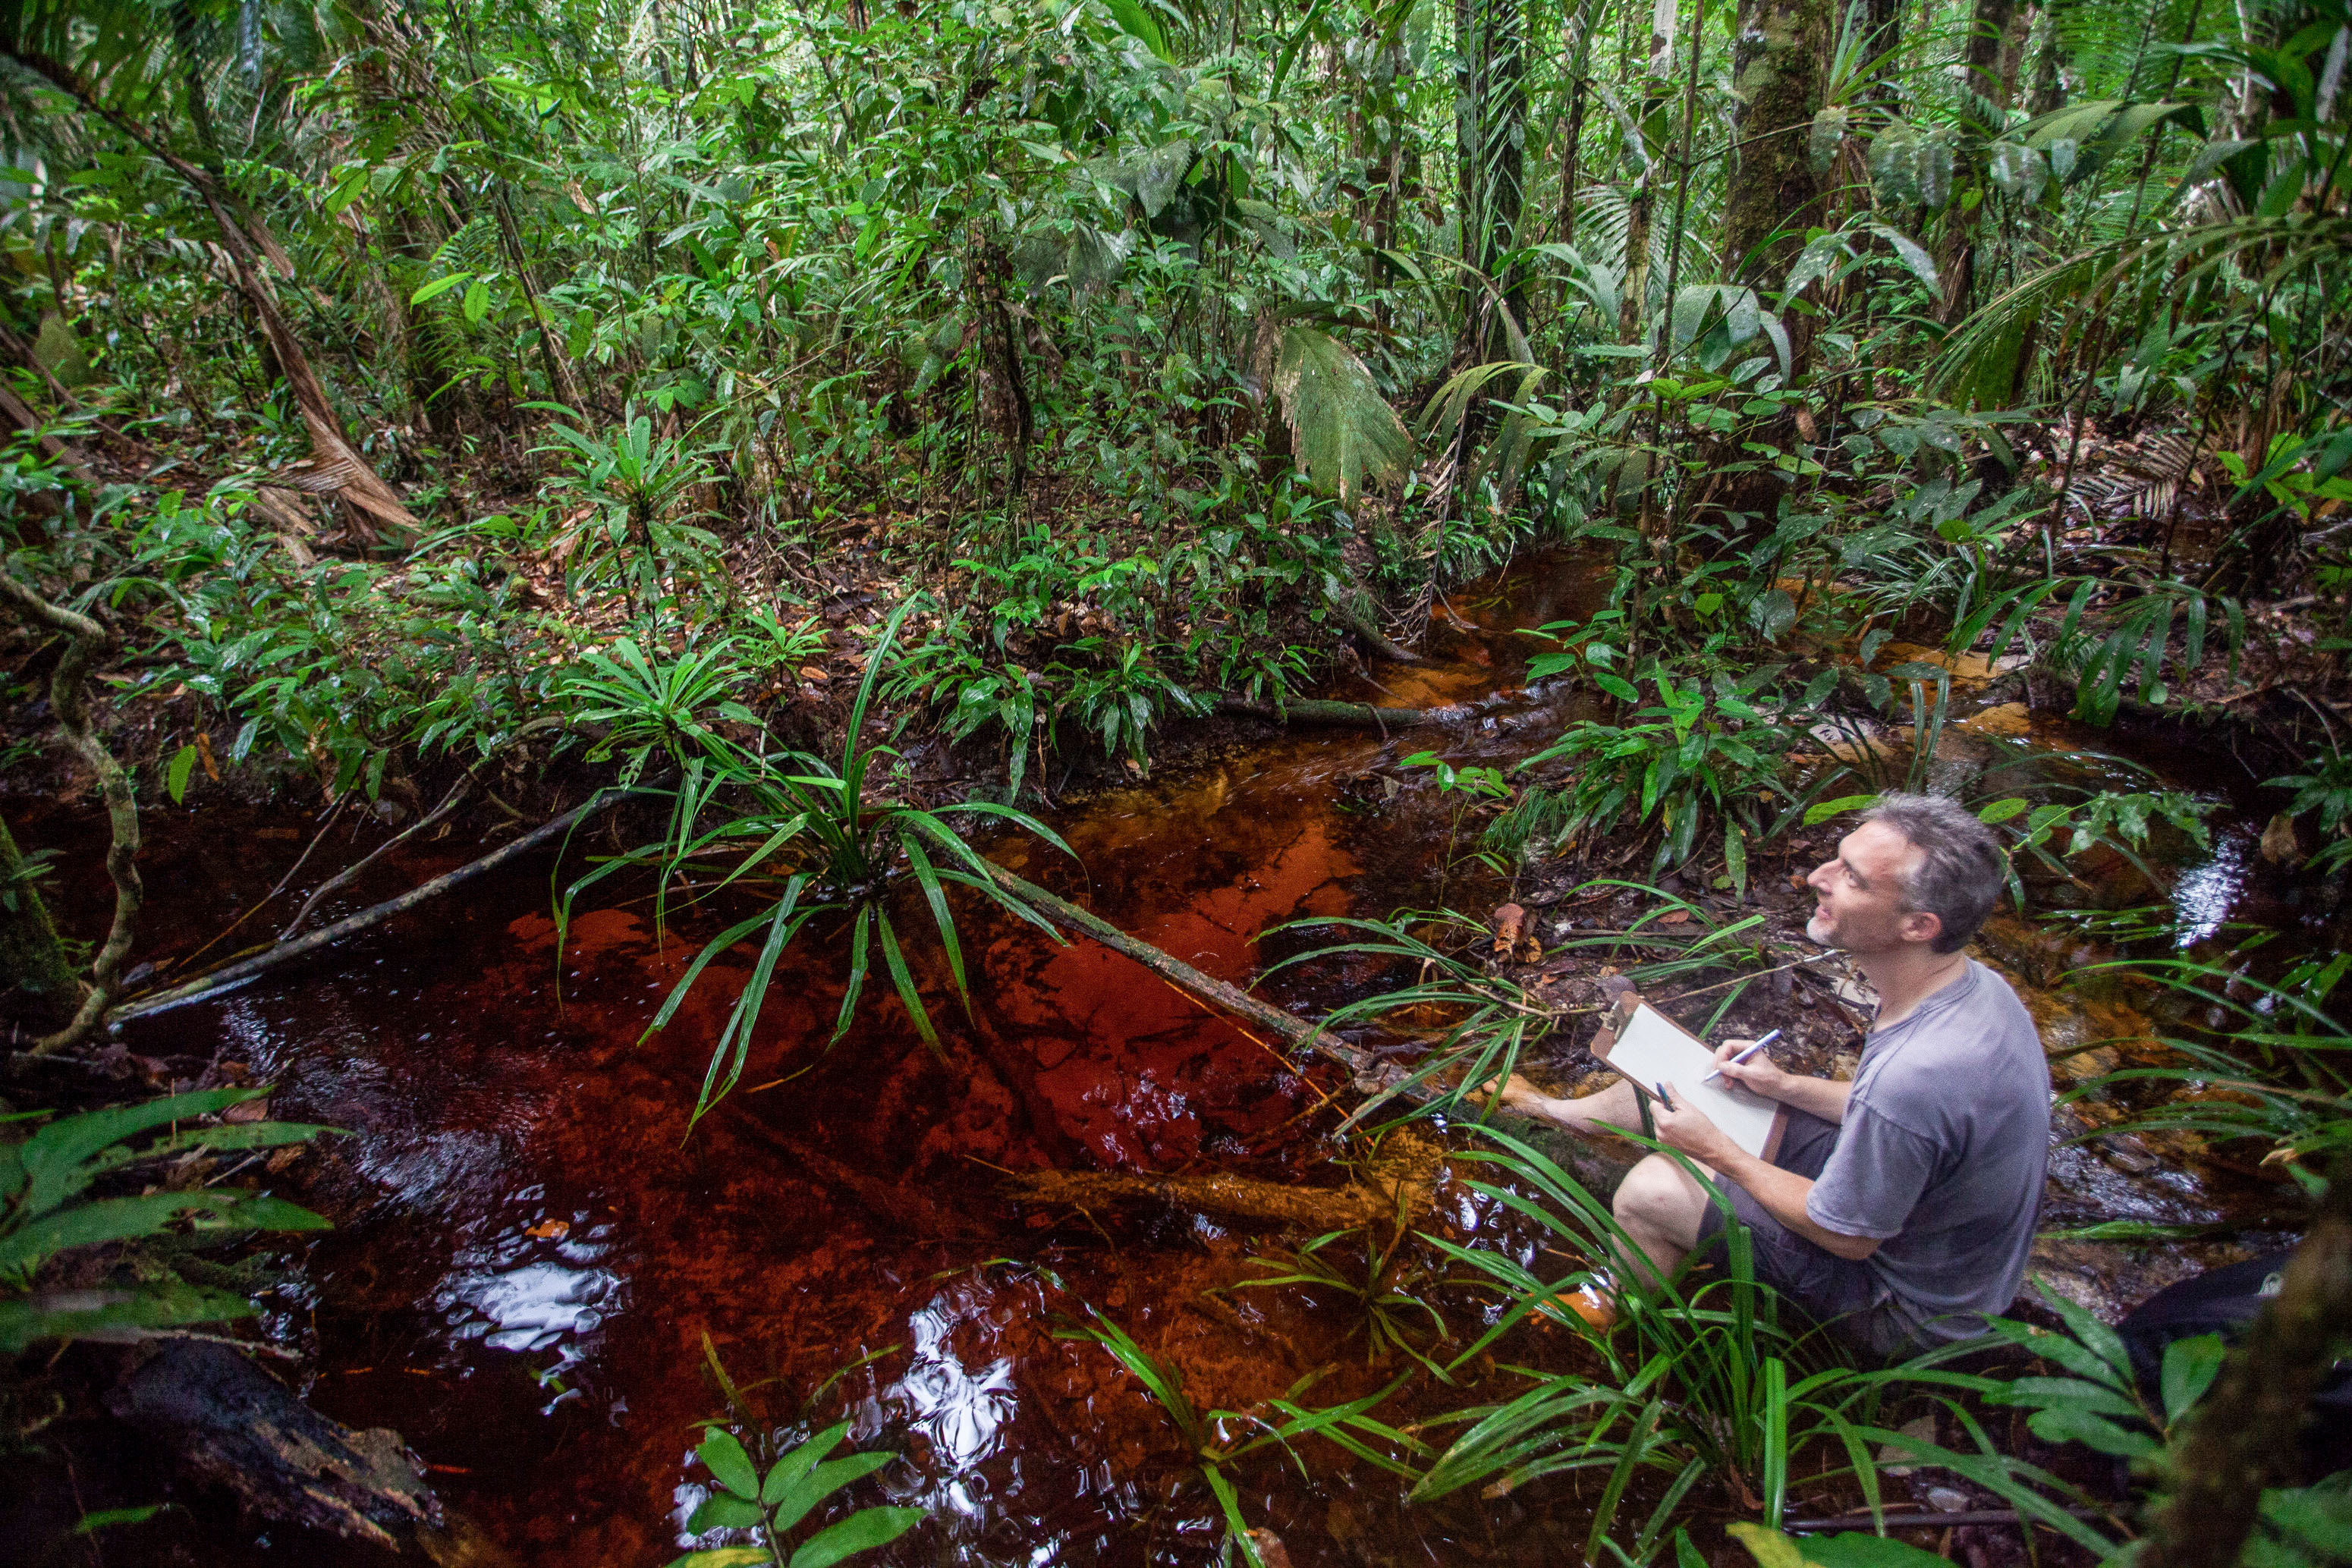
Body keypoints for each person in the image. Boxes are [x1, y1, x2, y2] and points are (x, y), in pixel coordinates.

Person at [1494, 792, 2051, 1356]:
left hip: (1903, 1305)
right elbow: (1881, 1109)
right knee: (1688, 1081)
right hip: (1914, 1218)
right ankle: (1554, 1114)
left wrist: (1718, 1153)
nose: (1817, 877)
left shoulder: (1918, 1073)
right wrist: (1783, 1086)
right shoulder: (1970, 988)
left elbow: (1847, 1236)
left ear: (1918, 925)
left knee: (1651, 1190)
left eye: (1852, 878)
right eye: (1837, 858)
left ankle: (1610, 1306)